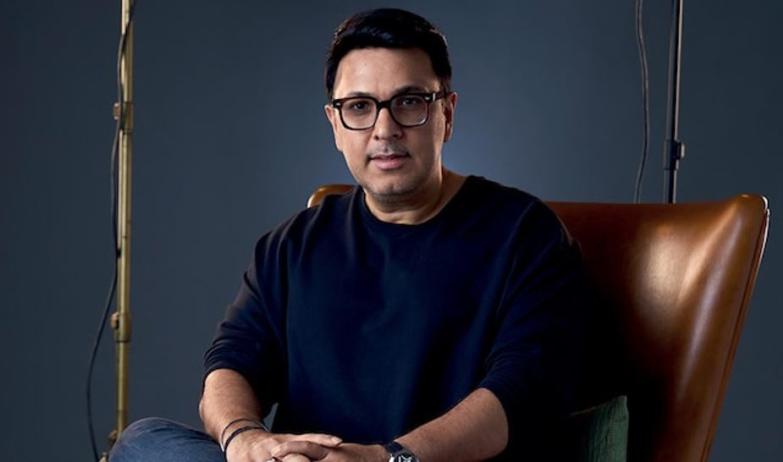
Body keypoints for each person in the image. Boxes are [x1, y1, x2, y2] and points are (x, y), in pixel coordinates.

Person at [110, 8, 590, 462]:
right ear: (335, 125)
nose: (385, 129)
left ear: (447, 113)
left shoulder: (524, 234)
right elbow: (231, 363)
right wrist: (245, 440)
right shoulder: (293, 245)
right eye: (359, 107)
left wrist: (388, 458)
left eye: (409, 102)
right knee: (144, 442)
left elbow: (521, 394)